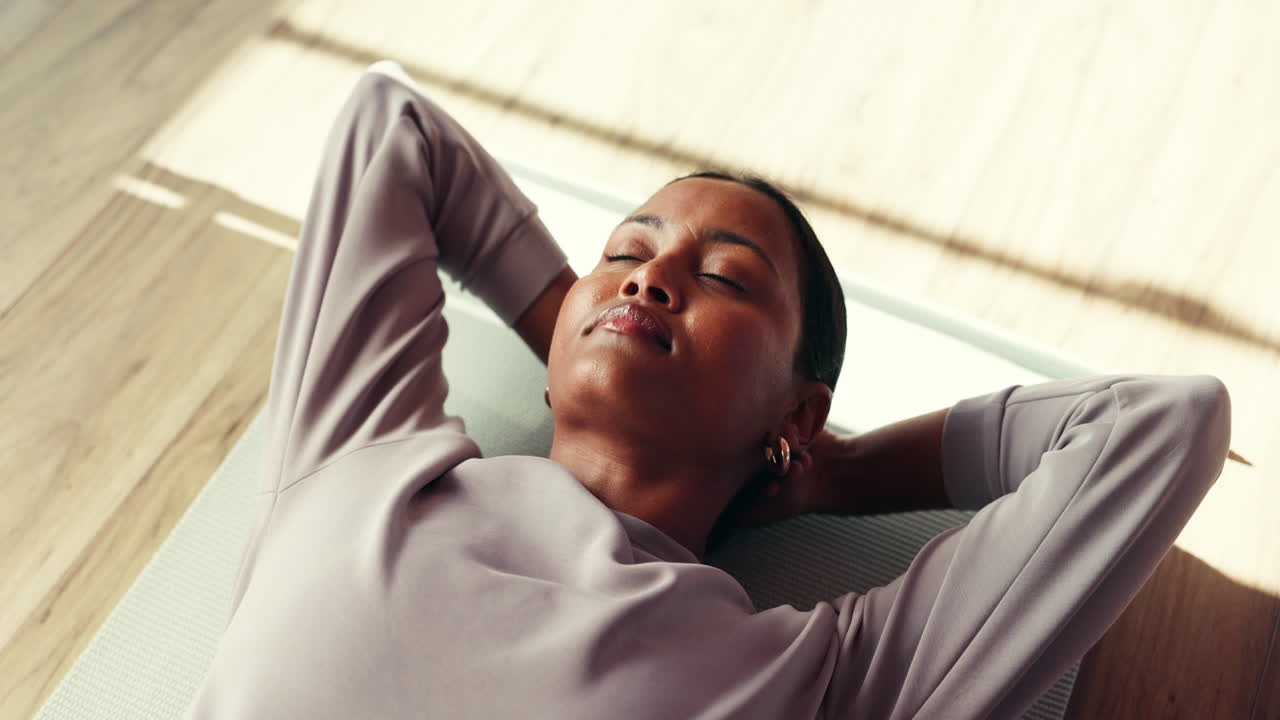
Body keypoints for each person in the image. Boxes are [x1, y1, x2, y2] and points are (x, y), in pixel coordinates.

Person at [184, 62, 1231, 719]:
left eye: (724, 276)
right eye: (624, 252)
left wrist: (835, 474)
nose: (647, 275)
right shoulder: (361, 456)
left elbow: (1160, 426)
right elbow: (387, 123)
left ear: (794, 413)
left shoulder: (823, 683)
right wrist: (577, 325)